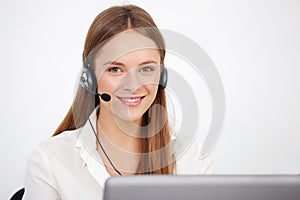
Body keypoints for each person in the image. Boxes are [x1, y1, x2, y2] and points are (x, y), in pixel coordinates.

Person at [23, 4, 213, 200]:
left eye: (146, 69)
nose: (132, 85)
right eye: (116, 69)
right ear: (90, 77)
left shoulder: (191, 159)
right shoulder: (50, 161)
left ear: (162, 76)